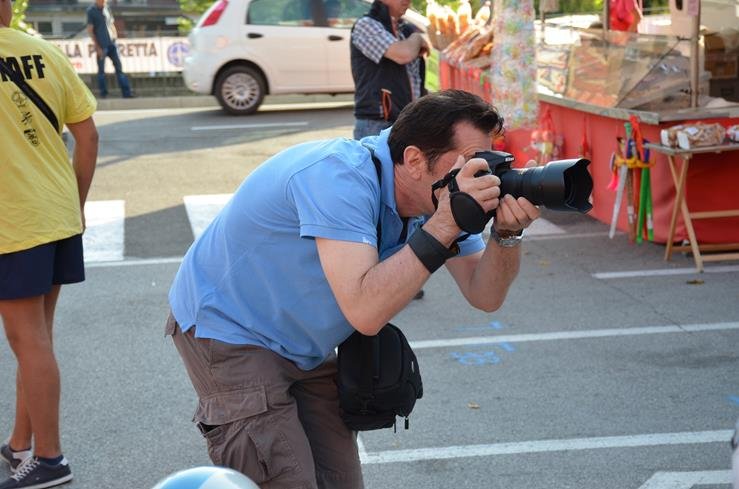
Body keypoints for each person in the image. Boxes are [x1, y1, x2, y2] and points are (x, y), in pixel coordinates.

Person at [166, 89, 541, 489]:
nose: (481, 177)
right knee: (285, 478)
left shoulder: (438, 199)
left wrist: (506, 234)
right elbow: (365, 313)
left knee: (340, 480)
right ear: (415, 160)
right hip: (230, 330)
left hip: (303, 342)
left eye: (487, 163)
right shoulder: (339, 177)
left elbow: (485, 295)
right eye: (470, 163)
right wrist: (444, 226)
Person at [0, 0, 99, 487]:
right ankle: (20, 444)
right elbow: (88, 135)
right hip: (58, 213)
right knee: (36, 339)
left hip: (14, 221)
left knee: (28, 341)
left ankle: (50, 459)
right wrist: (76, 204)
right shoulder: (44, 52)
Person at [350, 0, 429, 140]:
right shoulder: (366, 25)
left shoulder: (404, 29)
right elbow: (403, 54)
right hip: (377, 123)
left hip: (404, 121)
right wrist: (417, 38)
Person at [86, 0, 133, 98]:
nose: (104, 2)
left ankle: (126, 93)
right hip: (101, 45)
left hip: (112, 44)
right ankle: (104, 94)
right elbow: (90, 30)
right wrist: (97, 47)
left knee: (119, 69)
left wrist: (115, 36)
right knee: (101, 72)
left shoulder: (107, 8)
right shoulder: (91, 11)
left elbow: (111, 24)